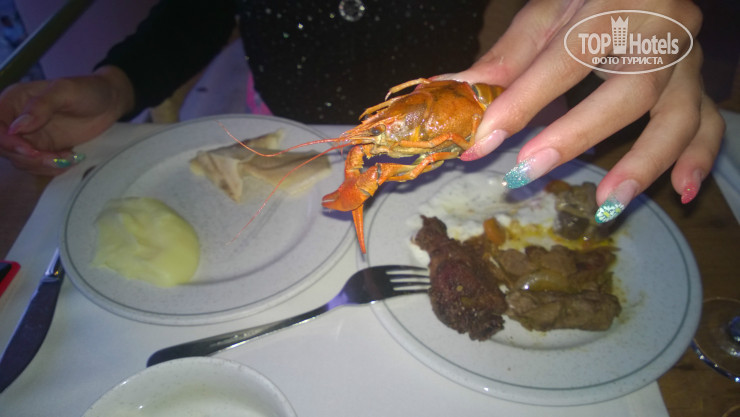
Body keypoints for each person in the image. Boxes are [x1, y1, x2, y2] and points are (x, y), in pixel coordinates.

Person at [0, 0, 725, 225]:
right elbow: (192, 15)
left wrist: (655, 31)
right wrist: (119, 84)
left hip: (471, 142)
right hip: (274, 123)